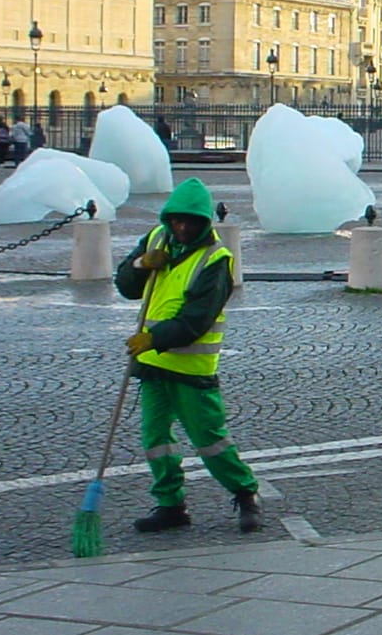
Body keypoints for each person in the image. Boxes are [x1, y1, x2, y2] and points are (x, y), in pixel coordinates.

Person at [113, 177, 263, 534]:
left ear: (202, 222)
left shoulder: (216, 260)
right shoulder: (155, 240)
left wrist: (153, 338)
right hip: (151, 365)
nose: (181, 227)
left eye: (189, 221)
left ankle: (245, 493)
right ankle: (170, 504)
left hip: (190, 366)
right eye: (176, 220)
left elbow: (197, 320)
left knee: (210, 439)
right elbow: (126, 286)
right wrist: (141, 266)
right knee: (156, 440)